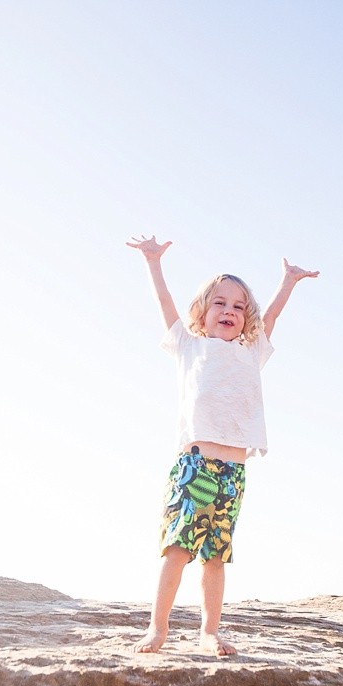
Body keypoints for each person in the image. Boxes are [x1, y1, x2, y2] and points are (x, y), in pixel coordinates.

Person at [126, 234, 319, 656]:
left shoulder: (252, 351)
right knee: (178, 549)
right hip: (195, 467)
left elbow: (272, 315)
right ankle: (158, 628)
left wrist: (288, 282)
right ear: (202, 311)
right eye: (220, 303)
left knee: (216, 556)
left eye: (238, 306)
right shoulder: (189, 346)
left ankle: (209, 631)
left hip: (233, 473)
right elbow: (164, 302)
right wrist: (153, 262)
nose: (229, 311)